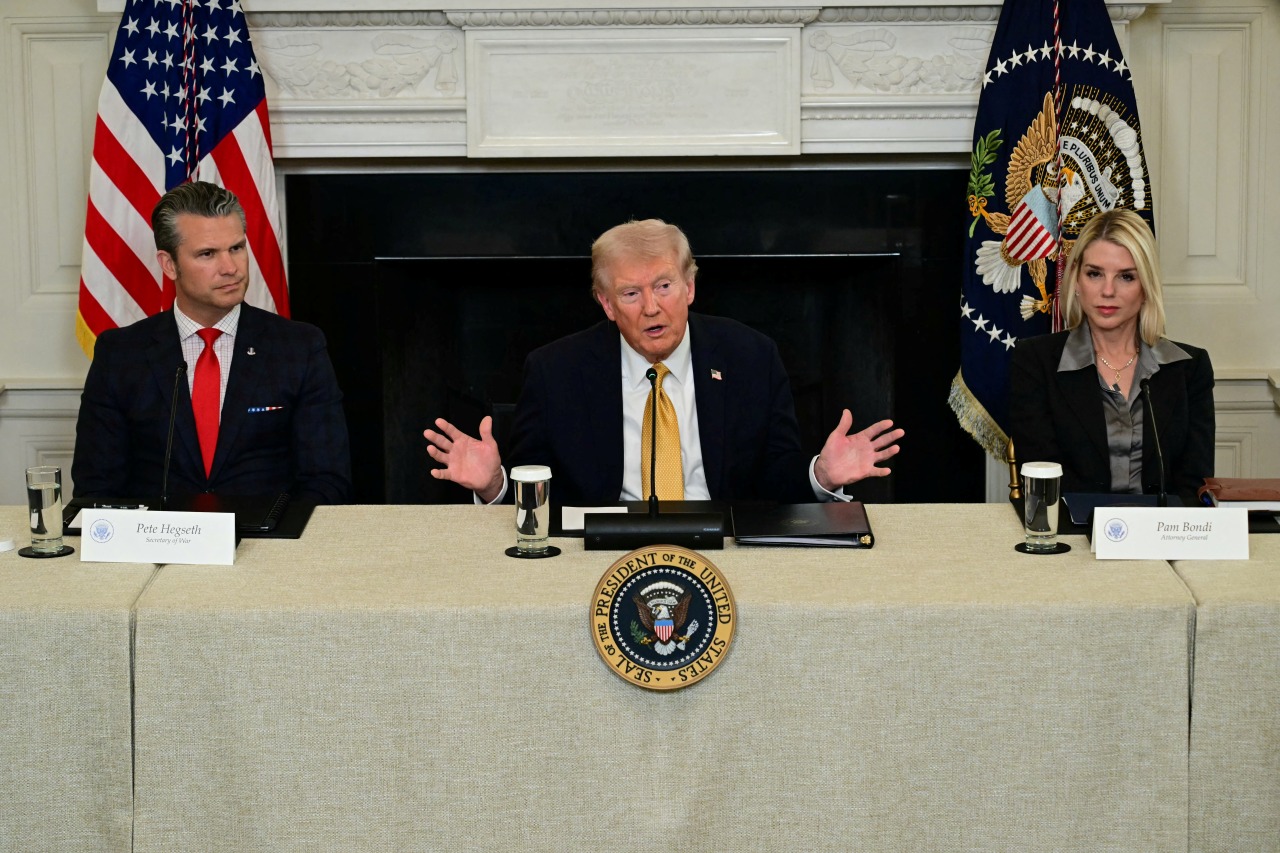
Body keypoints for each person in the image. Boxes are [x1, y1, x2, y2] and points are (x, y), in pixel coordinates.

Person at [423, 218, 903, 505]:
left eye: (665, 286)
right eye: (631, 293)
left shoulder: (750, 356)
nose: (651, 307)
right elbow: (539, 489)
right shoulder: (556, 371)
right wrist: (495, 485)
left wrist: (821, 475)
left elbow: (773, 480)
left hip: (723, 546)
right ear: (607, 305)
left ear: (690, 287)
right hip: (600, 556)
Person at [72, 181, 351, 504]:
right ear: (169, 264)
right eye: (207, 254)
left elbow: (328, 482)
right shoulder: (120, 354)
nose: (230, 268)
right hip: (156, 547)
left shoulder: (299, 347)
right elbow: (96, 488)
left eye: (236, 248)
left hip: (270, 546)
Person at [1009, 208, 1214, 499]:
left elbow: (1194, 486)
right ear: (1077, 282)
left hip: (1163, 538)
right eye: (1095, 274)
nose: (1108, 290)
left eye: (1126, 277)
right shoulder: (1035, 362)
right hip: (1073, 535)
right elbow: (1044, 483)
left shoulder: (1189, 369)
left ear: (1146, 287)